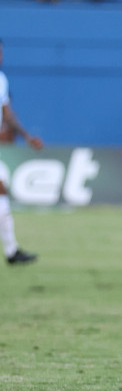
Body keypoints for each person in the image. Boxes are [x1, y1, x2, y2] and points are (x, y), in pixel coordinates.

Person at [0, 39, 42, 265]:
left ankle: (12, 251)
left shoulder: (1, 80)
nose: (0, 56)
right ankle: (11, 251)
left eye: (1, 51)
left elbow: (7, 114)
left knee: (1, 193)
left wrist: (26, 136)